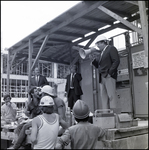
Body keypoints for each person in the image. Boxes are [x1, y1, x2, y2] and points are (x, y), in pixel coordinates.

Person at [88, 35, 120, 111]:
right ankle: (106, 114)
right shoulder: (101, 53)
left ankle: (114, 115)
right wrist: (93, 60)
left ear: (104, 42)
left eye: (98, 43)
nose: (97, 46)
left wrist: (110, 73)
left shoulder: (111, 48)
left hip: (109, 76)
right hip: (102, 77)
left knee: (111, 96)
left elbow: (116, 61)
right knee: (104, 97)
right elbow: (98, 66)